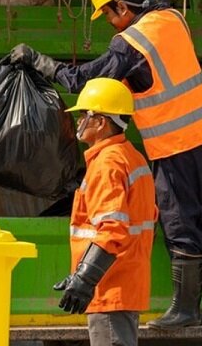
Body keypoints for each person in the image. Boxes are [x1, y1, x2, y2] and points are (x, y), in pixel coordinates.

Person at [11, 0, 202, 330]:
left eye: (106, 12)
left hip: (175, 143)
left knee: (178, 217)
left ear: (121, 5)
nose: (107, 21)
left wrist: (38, 61)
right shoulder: (171, 17)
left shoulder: (129, 43)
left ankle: (185, 309)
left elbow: (86, 81)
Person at [53, 78, 157, 346]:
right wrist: (81, 274)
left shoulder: (107, 165)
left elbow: (112, 228)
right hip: (121, 284)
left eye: (83, 115)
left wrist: (86, 279)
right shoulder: (130, 156)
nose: (78, 123)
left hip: (110, 287)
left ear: (100, 122)